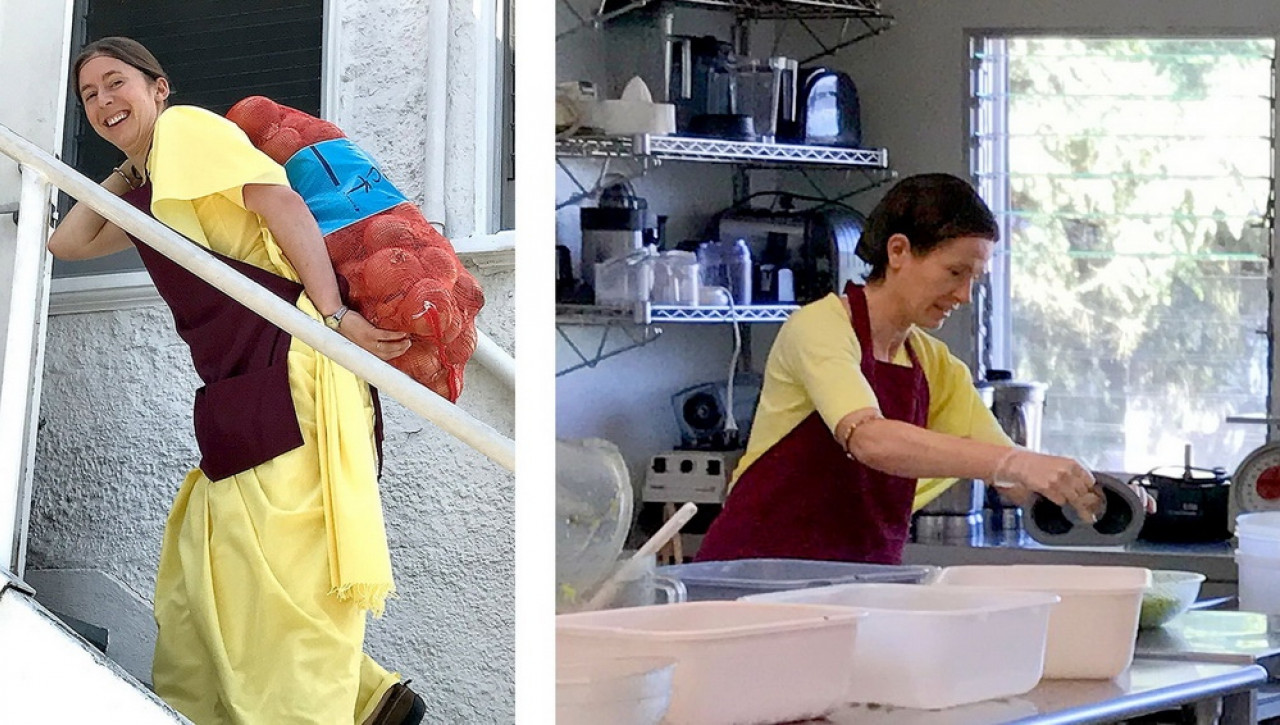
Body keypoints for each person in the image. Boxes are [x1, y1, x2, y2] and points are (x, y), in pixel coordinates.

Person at [49, 37, 424, 724]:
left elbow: (278, 203)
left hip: (288, 359)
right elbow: (65, 243)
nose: (103, 101)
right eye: (88, 95)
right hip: (243, 376)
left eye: (116, 83)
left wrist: (335, 315)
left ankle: (341, 706)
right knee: (205, 560)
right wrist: (131, 171)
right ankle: (370, 698)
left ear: (159, 88)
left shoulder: (189, 130)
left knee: (281, 564)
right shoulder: (157, 183)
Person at [696, 173, 1145, 565]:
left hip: (857, 586)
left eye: (975, 279)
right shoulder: (820, 327)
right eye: (955, 272)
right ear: (898, 251)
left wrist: (1101, 492)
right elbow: (870, 439)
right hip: (751, 579)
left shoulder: (935, 365)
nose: (965, 295)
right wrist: (1012, 462)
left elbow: (1016, 484)